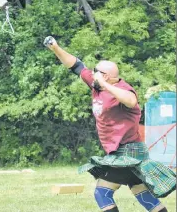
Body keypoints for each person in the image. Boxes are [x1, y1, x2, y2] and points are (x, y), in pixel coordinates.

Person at [43, 36, 176, 212]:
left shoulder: (123, 89)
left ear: (105, 76)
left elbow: (131, 101)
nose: (92, 72)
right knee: (142, 195)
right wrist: (56, 48)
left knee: (102, 193)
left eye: (96, 71)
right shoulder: (95, 84)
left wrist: (105, 84)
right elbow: (76, 66)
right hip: (123, 153)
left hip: (129, 154)